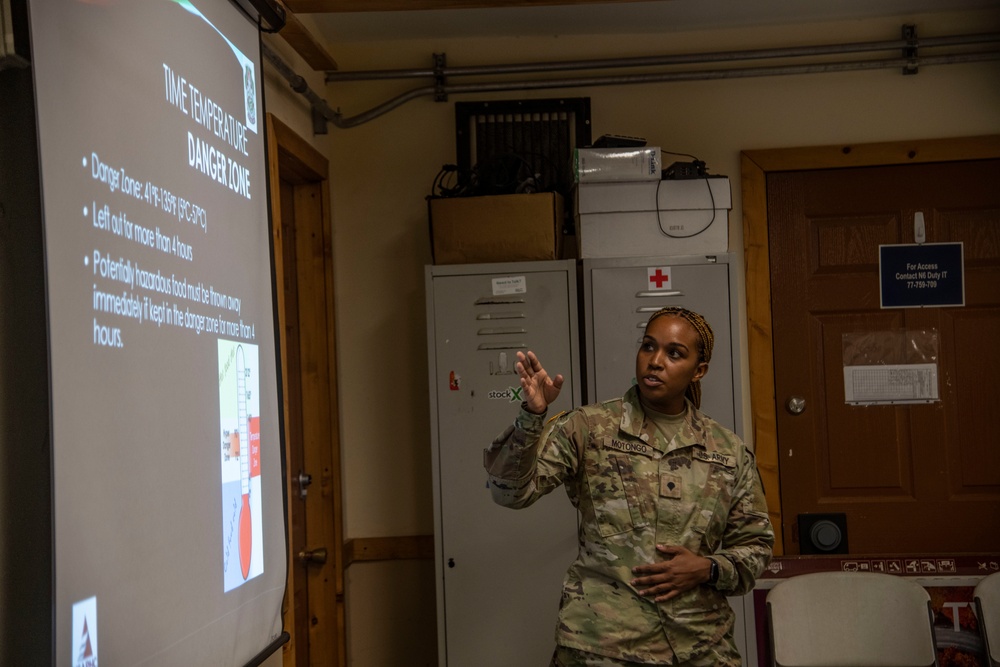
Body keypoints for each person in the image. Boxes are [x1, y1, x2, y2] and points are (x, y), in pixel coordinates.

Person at [484, 306, 774, 667]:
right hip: (601, 648)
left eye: (674, 353)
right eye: (648, 347)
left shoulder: (727, 451)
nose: (655, 361)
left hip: (700, 646)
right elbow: (510, 493)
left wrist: (708, 568)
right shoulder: (589, 428)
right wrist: (532, 416)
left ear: (699, 371)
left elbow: (756, 548)